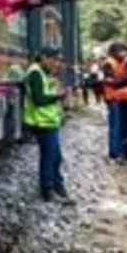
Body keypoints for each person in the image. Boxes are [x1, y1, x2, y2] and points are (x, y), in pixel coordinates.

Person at [23, 46, 73, 203]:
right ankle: (48, 190)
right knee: (49, 157)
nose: (56, 63)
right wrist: (58, 96)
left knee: (56, 157)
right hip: (42, 121)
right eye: (54, 59)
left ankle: (58, 186)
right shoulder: (35, 73)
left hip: (49, 121)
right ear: (44, 57)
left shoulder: (43, 73)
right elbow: (39, 99)